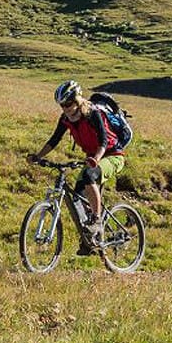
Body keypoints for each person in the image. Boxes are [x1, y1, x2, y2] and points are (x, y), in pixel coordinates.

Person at [28, 80, 126, 255]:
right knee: (77, 198)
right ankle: (91, 241)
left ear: (77, 100)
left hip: (112, 156)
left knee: (89, 176)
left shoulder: (92, 114)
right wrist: (38, 156)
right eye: (62, 105)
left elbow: (103, 141)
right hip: (92, 158)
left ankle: (96, 220)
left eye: (68, 104)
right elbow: (54, 140)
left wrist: (96, 158)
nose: (65, 108)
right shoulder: (66, 119)